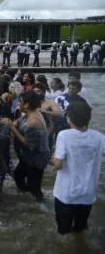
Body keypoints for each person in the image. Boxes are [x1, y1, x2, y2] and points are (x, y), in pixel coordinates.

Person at [52, 100, 105, 235]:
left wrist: (53, 157)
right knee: (80, 229)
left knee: (63, 232)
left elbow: (58, 165)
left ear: (69, 117)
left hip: (66, 194)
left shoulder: (64, 135)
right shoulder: (99, 137)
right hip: (88, 193)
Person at [7, 90, 50, 201]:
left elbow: (27, 143)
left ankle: (39, 206)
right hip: (29, 156)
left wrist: (12, 127)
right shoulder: (30, 112)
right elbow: (18, 122)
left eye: (20, 101)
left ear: (26, 104)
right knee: (18, 175)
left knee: (34, 186)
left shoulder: (34, 121)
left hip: (37, 158)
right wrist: (10, 124)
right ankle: (26, 197)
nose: (18, 104)